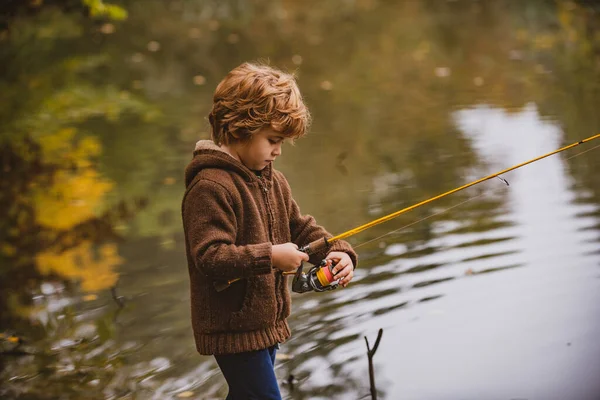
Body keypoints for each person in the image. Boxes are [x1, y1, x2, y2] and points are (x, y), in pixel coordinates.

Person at [181, 62, 357, 399]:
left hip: (266, 323)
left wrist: (338, 251)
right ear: (239, 129)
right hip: (231, 326)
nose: (278, 150)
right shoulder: (209, 187)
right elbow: (209, 256)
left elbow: (299, 227)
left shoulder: (273, 180)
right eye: (273, 140)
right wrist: (271, 256)